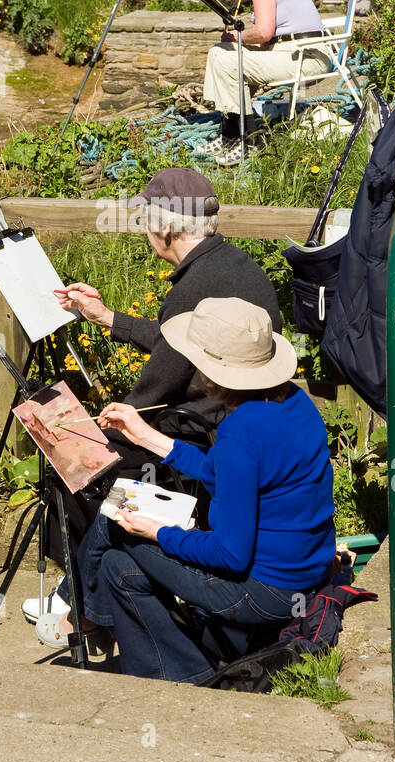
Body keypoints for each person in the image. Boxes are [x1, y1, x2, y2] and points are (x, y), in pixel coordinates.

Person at [21, 167, 282, 623]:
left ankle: (83, 602)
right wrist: (106, 319)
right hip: (238, 419)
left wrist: (100, 426)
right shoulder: (230, 265)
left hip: (203, 429)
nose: (142, 230)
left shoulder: (194, 287)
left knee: (72, 463)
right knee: (86, 452)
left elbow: (156, 386)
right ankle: (84, 590)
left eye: (144, 220)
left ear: (165, 227)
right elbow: (176, 339)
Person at [33, 297, 337, 685]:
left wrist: (156, 532)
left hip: (263, 592)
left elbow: (229, 555)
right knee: (116, 569)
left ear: (215, 371)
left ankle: (83, 614)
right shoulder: (296, 403)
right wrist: (146, 436)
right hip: (302, 574)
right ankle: (180, 672)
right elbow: (227, 474)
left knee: (113, 518)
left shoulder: (239, 435)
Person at [200, 0, 333, 167]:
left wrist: (236, 36)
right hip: (290, 52)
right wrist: (233, 43)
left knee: (226, 58)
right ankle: (230, 132)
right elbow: (264, 43)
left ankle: (248, 140)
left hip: (306, 56)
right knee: (219, 52)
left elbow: (263, 32)